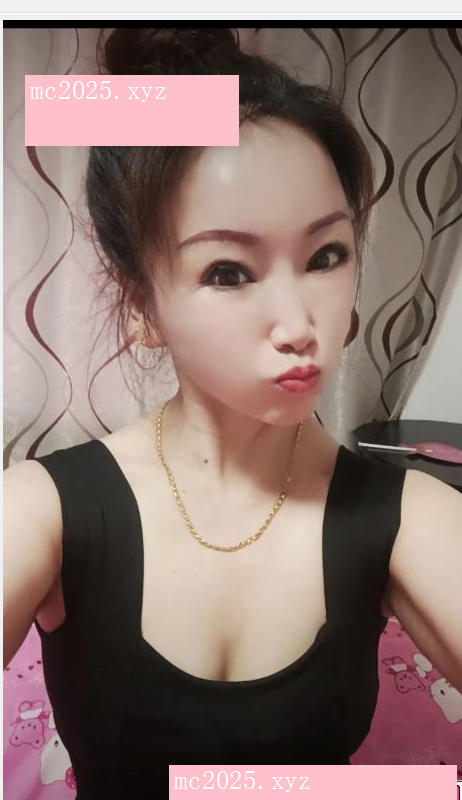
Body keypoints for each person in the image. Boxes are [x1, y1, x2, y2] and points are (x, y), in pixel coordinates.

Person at [4, 27, 462, 800]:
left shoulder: (409, 514)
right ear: (143, 306)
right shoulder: (39, 509)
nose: (299, 324)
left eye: (325, 256)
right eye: (228, 271)